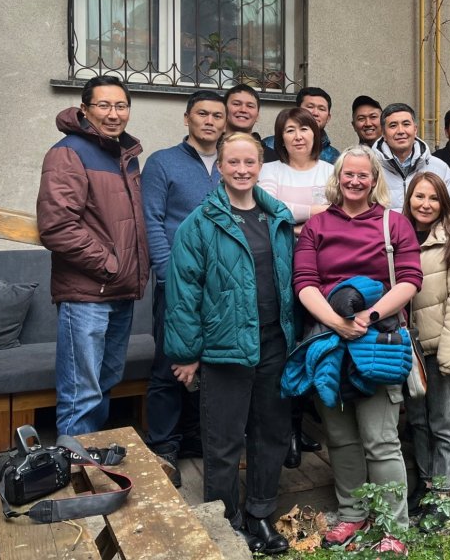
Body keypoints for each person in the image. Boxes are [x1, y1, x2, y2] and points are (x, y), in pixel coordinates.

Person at [165, 133, 295, 554]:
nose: (242, 170)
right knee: (223, 442)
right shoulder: (200, 223)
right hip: (224, 349)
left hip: (274, 343)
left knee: (270, 433)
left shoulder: (276, 217)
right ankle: (226, 521)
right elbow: (183, 292)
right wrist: (186, 353)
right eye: (233, 163)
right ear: (219, 167)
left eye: (249, 162)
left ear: (260, 166)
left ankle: (260, 514)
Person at [293, 145, 423, 555]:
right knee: (340, 437)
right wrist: (336, 323)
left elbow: (410, 278)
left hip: (378, 342)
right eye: (347, 174)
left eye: (362, 174)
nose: (354, 181)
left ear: (374, 180)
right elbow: (304, 282)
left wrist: (367, 316)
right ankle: (353, 514)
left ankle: (393, 525)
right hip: (328, 343)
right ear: (338, 178)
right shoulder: (317, 227)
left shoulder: (393, 223)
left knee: (380, 440)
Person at [36, 75, 149, 436]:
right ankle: (72, 463)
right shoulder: (69, 152)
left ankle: (90, 457)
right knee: (81, 392)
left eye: (121, 105)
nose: (113, 114)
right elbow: (57, 226)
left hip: (119, 291)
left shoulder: (124, 156)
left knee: (105, 381)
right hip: (88, 293)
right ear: (84, 109)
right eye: (104, 105)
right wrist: (110, 265)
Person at [141, 91, 226, 485]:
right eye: (202, 114)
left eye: (217, 116)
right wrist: (167, 273)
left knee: (212, 364)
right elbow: (151, 221)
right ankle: (164, 445)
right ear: (187, 117)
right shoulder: (163, 162)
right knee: (170, 363)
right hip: (177, 283)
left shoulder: (231, 163)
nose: (210, 121)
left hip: (222, 286)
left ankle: (195, 438)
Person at [257, 106, 333, 467]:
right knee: (283, 348)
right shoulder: (269, 171)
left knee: (309, 346)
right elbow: (270, 211)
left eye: (305, 129)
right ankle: (283, 430)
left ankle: (299, 425)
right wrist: (313, 214)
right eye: (290, 130)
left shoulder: (330, 171)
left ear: (315, 134)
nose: (298, 136)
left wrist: (293, 222)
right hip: (277, 272)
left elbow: (335, 214)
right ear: (280, 138)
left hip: (321, 272)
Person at [401, 172, 450, 524]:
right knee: (417, 420)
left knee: (443, 423)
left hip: (440, 346)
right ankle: (425, 482)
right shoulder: (398, 236)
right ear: (409, 199)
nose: (425, 204)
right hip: (408, 347)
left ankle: (441, 495)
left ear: (443, 203)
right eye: (419, 196)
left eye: (433, 198)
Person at [372, 102, 450, 207]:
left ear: (415, 129)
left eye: (406, 124)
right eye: (393, 126)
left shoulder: (439, 167)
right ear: (383, 134)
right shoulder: (371, 167)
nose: (400, 131)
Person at [263, 86, 340, 163]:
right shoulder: (268, 145)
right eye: (310, 107)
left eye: (321, 109)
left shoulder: (334, 156)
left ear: (328, 118)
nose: (315, 113)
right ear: (297, 111)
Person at [224, 83, 277, 163]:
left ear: (257, 115)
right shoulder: (210, 149)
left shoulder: (271, 158)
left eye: (250, 106)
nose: (243, 110)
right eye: (236, 104)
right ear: (223, 110)